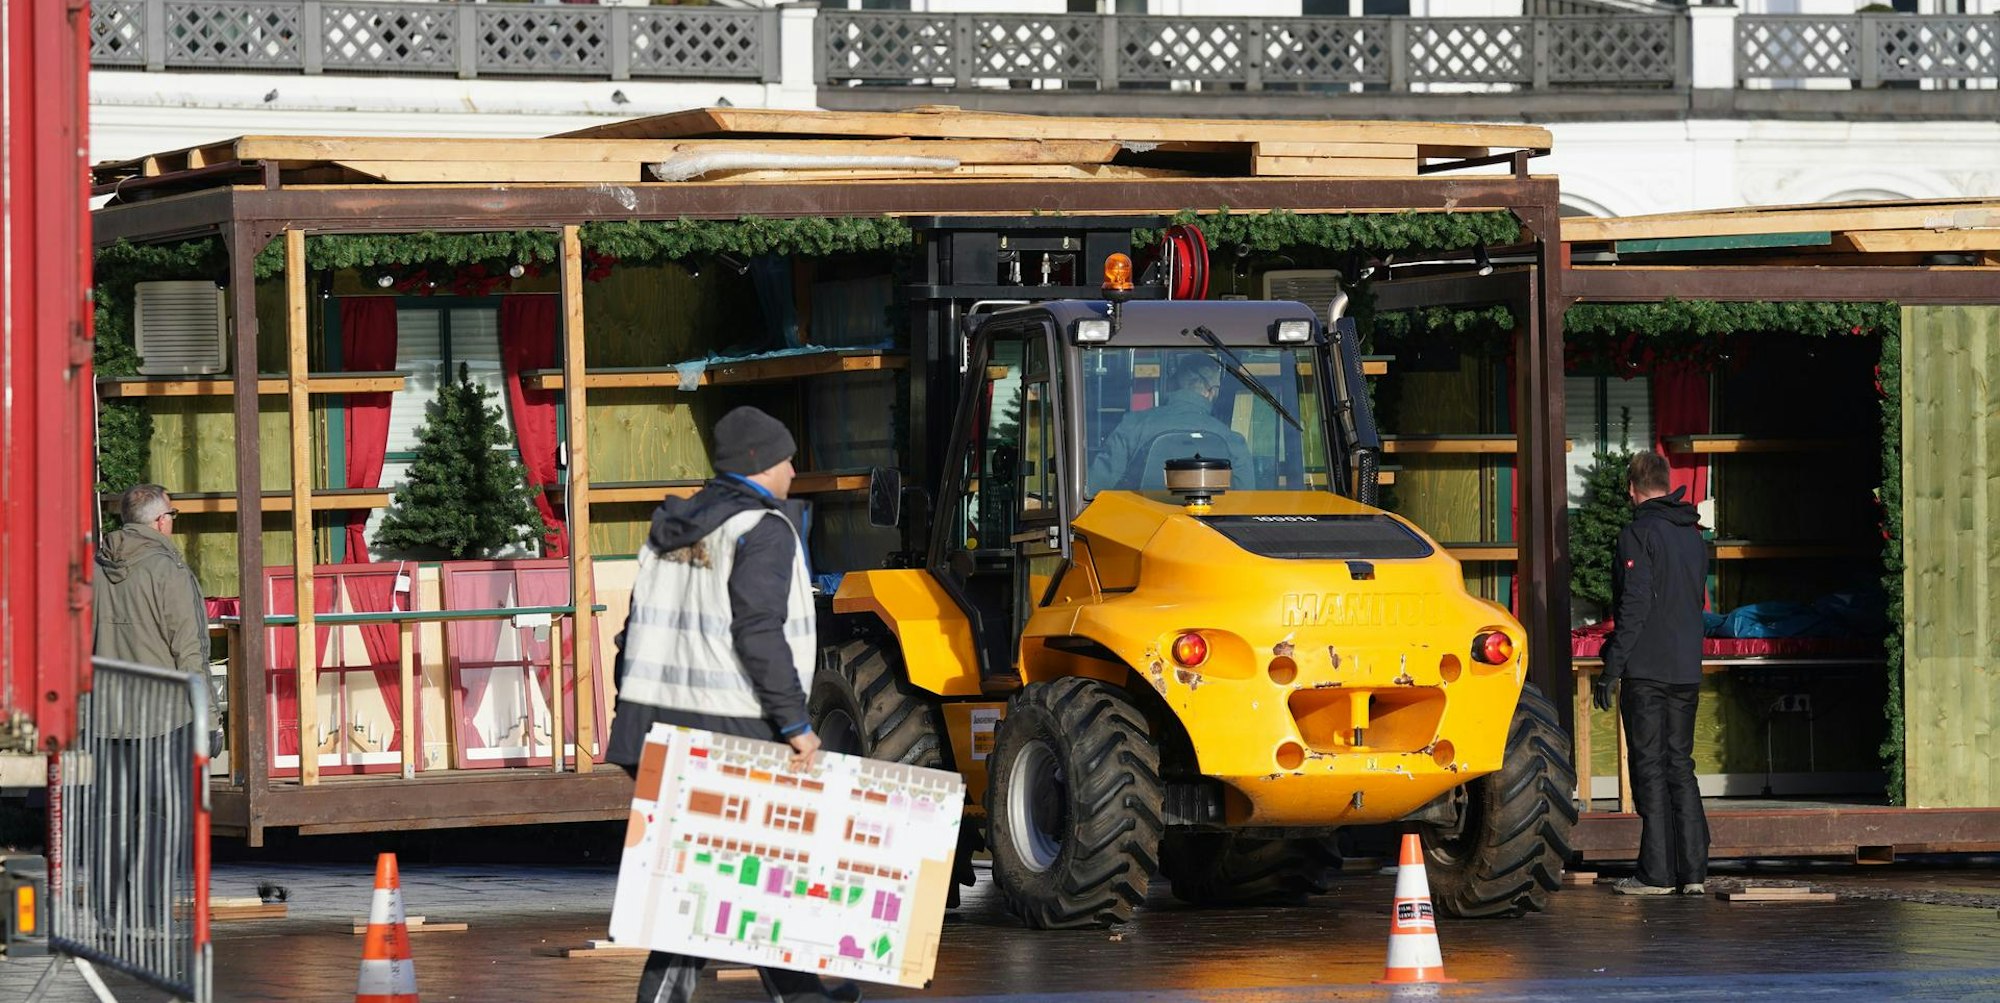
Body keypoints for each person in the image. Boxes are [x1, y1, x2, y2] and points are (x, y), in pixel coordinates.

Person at [606, 406, 851, 1003]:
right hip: (729, 725)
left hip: (653, 724)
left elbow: (633, 630)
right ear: (760, 464)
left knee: (734, 870)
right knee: (721, 872)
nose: (795, 470)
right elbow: (758, 631)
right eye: (787, 458)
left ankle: (801, 992)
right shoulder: (760, 529)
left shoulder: (676, 528)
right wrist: (796, 725)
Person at [92, 483, 212, 933]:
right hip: (163, 719)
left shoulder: (94, 568)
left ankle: (107, 917)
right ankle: (149, 916)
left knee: (108, 820)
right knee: (159, 821)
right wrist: (209, 719)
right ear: (161, 521)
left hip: (105, 717)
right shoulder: (169, 570)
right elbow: (191, 651)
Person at [1592, 451, 1710, 896]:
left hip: (1647, 670)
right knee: (1680, 764)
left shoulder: (1637, 534)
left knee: (1649, 768)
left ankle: (1656, 874)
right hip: (1686, 668)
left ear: (1632, 490)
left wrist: (1612, 667)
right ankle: (1693, 872)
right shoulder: (1692, 536)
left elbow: (1635, 604)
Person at [1087, 354, 1255, 493]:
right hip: (1209, 531)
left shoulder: (1132, 425)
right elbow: (1244, 503)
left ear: (1172, 384)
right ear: (1213, 392)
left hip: (1140, 528)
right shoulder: (1232, 440)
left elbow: (1097, 489)